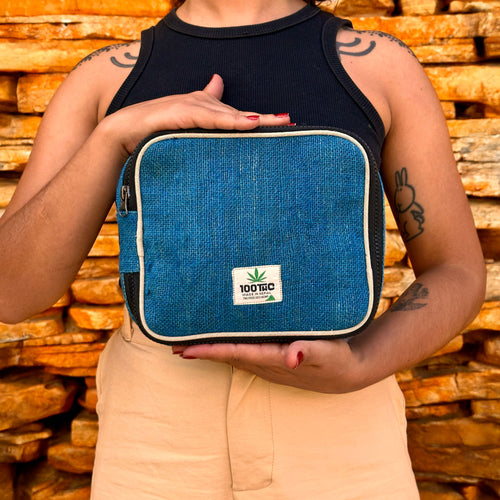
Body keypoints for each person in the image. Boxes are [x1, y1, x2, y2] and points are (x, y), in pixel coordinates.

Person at [0, 0, 486, 498]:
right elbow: (11, 294)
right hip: (156, 436)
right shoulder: (103, 80)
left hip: (340, 431)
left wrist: (362, 362)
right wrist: (112, 137)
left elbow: (457, 270)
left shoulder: (381, 67)